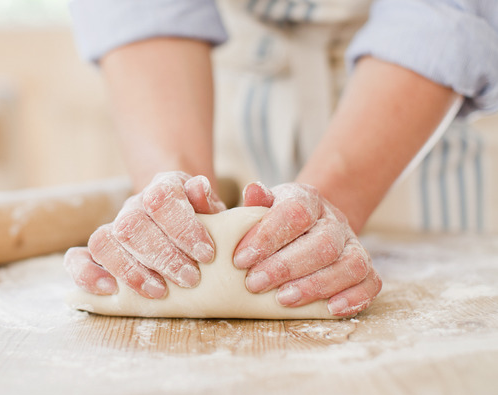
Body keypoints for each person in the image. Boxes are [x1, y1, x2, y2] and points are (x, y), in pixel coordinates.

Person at [62, 0, 498, 317]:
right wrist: (169, 192)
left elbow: (445, 16)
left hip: (417, 111)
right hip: (227, 94)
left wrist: (328, 211)